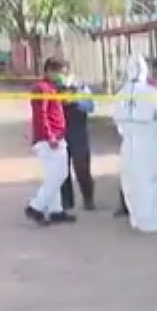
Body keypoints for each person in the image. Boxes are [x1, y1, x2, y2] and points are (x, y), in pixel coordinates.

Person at [113, 55, 157, 233]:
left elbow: (117, 122)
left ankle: (137, 217)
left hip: (128, 142)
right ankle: (150, 220)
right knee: (150, 179)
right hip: (148, 141)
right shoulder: (153, 94)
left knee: (131, 180)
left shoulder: (120, 95)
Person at [25, 57, 76, 226]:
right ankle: (36, 206)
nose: (62, 76)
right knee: (59, 174)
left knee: (53, 176)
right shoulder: (41, 88)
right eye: (60, 72)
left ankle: (56, 210)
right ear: (49, 71)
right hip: (49, 139)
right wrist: (50, 136)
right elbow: (41, 114)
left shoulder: (53, 88)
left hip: (57, 136)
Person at [58, 71, 97, 211]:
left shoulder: (82, 89)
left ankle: (88, 198)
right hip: (61, 131)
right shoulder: (55, 89)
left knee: (82, 168)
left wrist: (75, 100)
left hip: (78, 132)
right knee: (62, 168)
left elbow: (90, 107)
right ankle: (66, 201)